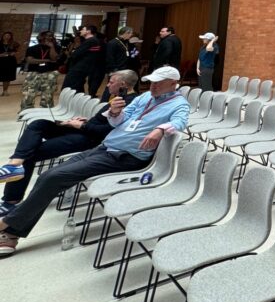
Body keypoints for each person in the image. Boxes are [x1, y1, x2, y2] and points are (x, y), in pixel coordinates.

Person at [0, 66, 189, 256]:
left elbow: (180, 122)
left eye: (159, 82)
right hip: (105, 148)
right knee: (48, 176)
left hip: (125, 157)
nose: (153, 86)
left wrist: (161, 129)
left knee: (54, 177)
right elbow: (120, 121)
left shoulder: (179, 104)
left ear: (173, 84)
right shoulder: (144, 98)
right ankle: (12, 231)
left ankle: (7, 226)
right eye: (152, 81)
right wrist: (115, 113)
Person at [0, 70, 140, 212]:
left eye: (111, 82)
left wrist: (83, 125)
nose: (108, 85)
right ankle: (15, 162)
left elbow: (107, 131)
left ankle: (12, 200)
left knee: (31, 154)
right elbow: (102, 120)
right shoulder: (116, 98)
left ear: (123, 84)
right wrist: (83, 121)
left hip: (90, 139)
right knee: (38, 124)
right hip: (84, 129)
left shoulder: (128, 103)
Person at [20, 31, 61, 110]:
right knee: (28, 94)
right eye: (47, 36)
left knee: (47, 95)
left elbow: (54, 58)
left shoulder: (57, 48)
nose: (50, 38)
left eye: (51, 36)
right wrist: (47, 60)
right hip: (34, 73)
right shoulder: (32, 48)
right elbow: (30, 60)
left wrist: (52, 47)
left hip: (50, 73)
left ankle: (46, 114)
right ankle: (25, 112)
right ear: (40, 37)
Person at [62, 25, 102, 94]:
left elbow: (76, 54)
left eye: (83, 29)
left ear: (88, 31)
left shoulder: (91, 41)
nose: (80, 31)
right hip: (82, 68)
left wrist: (72, 53)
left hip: (79, 69)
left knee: (69, 89)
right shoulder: (92, 40)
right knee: (78, 88)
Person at [101, 26, 134, 101]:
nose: (131, 35)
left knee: (123, 86)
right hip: (116, 69)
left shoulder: (126, 42)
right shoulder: (113, 43)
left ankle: (121, 101)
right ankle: (103, 101)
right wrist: (114, 70)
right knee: (110, 86)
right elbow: (109, 57)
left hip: (124, 69)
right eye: (130, 33)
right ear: (125, 33)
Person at [0, 32, 19, 96]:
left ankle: (5, 90)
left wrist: (14, 53)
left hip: (10, 61)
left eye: (9, 35)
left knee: (8, 77)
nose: (7, 37)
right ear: (3, 36)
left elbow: (18, 50)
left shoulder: (13, 44)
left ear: (11, 37)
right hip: (1, 61)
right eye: (6, 35)